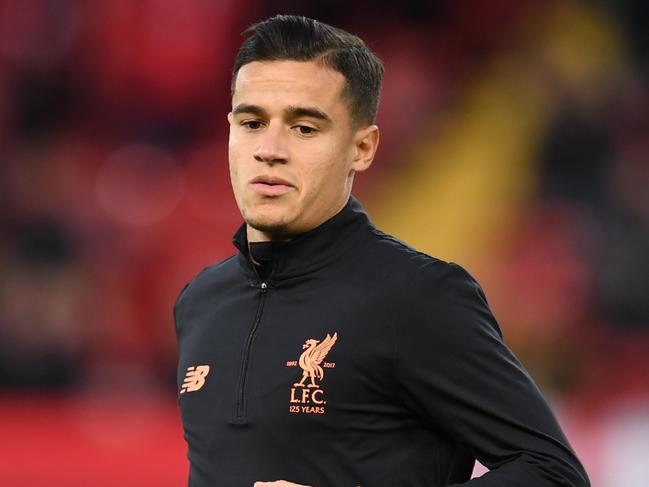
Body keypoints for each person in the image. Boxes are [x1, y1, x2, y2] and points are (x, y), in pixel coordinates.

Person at [174, 15, 590, 487]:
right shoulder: (200, 302)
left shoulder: (418, 296)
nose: (269, 149)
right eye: (251, 122)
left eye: (304, 127)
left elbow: (554, 474)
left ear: (363, 148)